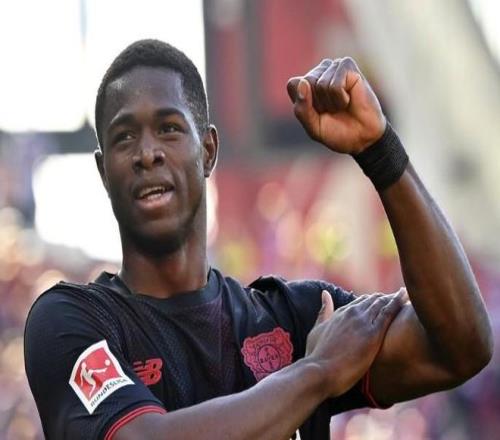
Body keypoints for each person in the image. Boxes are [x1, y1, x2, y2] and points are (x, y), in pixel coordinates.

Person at [24, 39, 492, 440]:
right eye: (125, 138)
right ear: (104, 172)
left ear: (208, 151)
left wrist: (379, 150)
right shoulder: (69, 321)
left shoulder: (299, 318)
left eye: (169, 129)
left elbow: (461, 347)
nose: (148, 153)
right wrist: (316, 372)